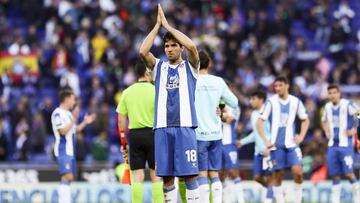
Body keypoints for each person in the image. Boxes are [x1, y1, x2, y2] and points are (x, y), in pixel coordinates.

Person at [139, 4, 200, 203]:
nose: (170, 49)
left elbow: (192, 47)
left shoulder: (190, 66)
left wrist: (168, 26)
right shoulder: (159, 67)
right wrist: (157, 26)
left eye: (173, 45)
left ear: (179, 47)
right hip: (162, 128)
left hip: (185, 127)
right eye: (167, 46)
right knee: (166, 177)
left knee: (190, 174)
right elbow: (142, 52)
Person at [256, 76, 309, 203]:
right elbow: (259, 122)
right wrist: (266, 140)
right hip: (276, 145)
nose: (278, 88)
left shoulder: (295, 101)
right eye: (276, 86)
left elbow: (305, 119)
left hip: (291, 144)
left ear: (287, 85)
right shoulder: (271, 102)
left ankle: (297, 200)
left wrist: (301, 136)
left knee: (297, 172)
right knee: (278, 175)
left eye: (280, 85)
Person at [194, 51, 238, 203]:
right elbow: (235, 103)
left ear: (195, 63)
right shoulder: (219, 82)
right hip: (216, 135)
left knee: (201, 174)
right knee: (214, 174)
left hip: (199, 135)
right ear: (210, 64)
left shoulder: (192, 81)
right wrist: (219, 103)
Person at [116, 61, 163, 203]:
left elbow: (120, 120)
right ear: (147, 72)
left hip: (135, 135)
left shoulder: (127, 92)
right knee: (156, 175)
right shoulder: (156, 90)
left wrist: (124, 142)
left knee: (137, 176)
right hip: (153, 135)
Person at [51, 89, 96, 203]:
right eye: (73, 99)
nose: (74, 102)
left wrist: (85, 122)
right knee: (67, 176)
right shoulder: (57, 113)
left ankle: (65, 200)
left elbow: (74, 130)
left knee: (70, 178)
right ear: (66, 99)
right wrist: (75, 119)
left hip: (70, 150)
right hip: (63, 149)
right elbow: (62, 131)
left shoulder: (69, 114)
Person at [321, 84, 360, 203]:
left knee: (349, 173)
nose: (332, 95)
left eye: (334, 92)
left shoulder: (347, 104)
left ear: (339, 93)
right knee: (335, 175)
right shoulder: (327, 107)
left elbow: (358, 114)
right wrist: (326, 130)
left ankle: (358, 198)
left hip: (345, 145)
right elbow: (323, 120)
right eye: (330, 93)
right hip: (332, 146)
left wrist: (354, 129)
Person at [237, 90, 273, 203]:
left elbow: (274, 131)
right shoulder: (253, 115)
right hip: (258, 151)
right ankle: (275, 190)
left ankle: (269, 199)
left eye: (253, 99)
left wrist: (270, 147)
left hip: (269, 150)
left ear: (261, 100)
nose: (251, 101)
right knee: (257, 177)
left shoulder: (269, 113)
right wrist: (242, 142)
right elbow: (255, 133)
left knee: (269, 177)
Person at [219, 99, 245, 203]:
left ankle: (241, 200)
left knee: (233, 171)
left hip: (229, 144)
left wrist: (218, 112)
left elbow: (229, 120)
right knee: (219, 174)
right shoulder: (214, 104)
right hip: (217, 143)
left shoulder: (234, 107)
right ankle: (225, 199)